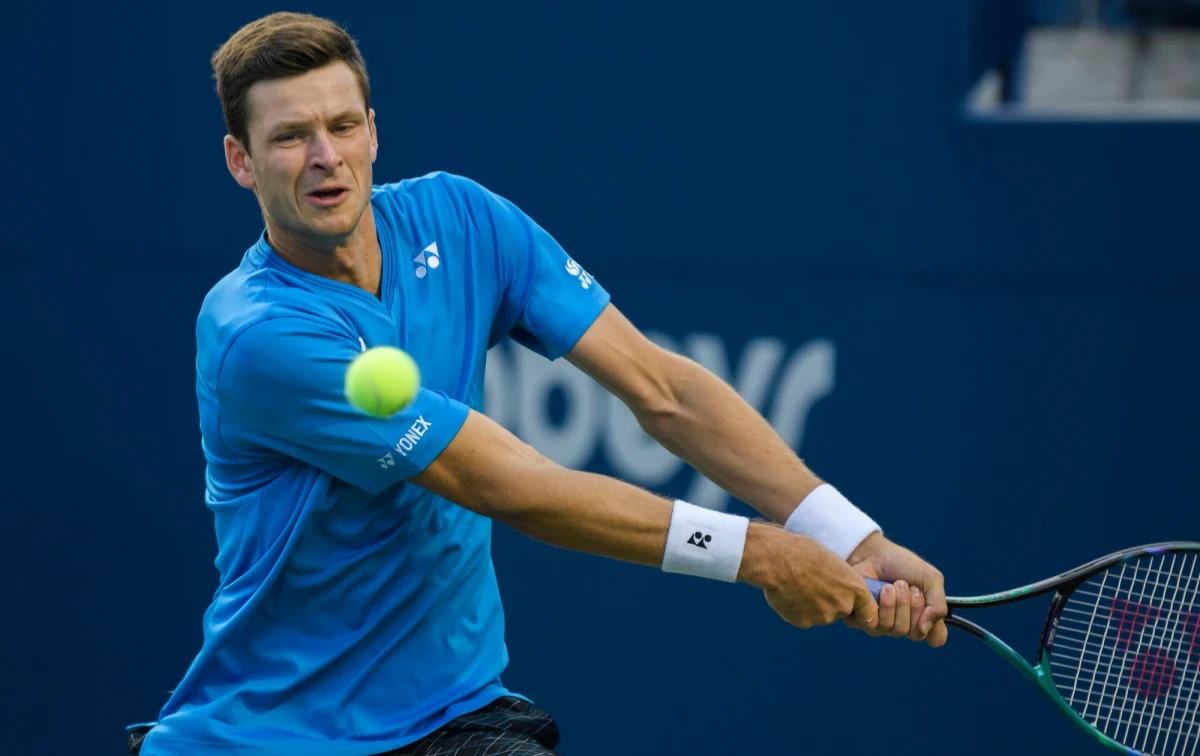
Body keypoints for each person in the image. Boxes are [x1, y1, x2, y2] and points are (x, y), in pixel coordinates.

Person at [128, 11, 948, 756]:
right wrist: (761, 554)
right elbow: (517, 487)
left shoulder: (463, 219)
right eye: (289, 137)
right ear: (240, 160)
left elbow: (661, 388)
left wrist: (848, 536)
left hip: (452, 717)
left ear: (375, 131)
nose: (325, 157)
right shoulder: (258, 335)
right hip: (274, 740)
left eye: (343, 125)